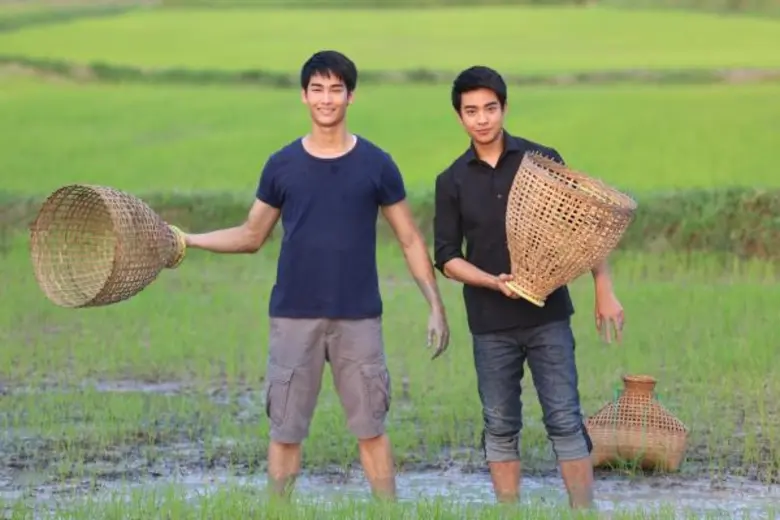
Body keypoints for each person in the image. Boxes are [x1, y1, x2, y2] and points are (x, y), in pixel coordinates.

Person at [182, 50, 450, 501]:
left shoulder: (377, 164)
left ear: (351, 96)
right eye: (318, 89)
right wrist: (188, 239)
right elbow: (251, 235)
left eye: (336, 89)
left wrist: (435, 306)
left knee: (371, 428)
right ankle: (277, 511)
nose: (327, 99)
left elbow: (409, 239)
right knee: (285, 431)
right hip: (294, 316)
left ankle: (388, 511)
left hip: (358, 317)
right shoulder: (282, 165)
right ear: (304, 96)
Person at [432, 65, 625, 509]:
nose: (482, 119)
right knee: (500, 424)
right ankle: (508, 512)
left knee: (564, 418)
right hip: (489, 322)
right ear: (459, 116)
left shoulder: (541, 160)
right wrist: (490, 281)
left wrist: (603, 286)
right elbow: (446, 257)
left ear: (504, 108)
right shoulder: (452, 180)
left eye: (490, 108)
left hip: (548, 316)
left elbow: (583, 225)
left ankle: (584, 511)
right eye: (471, 111)